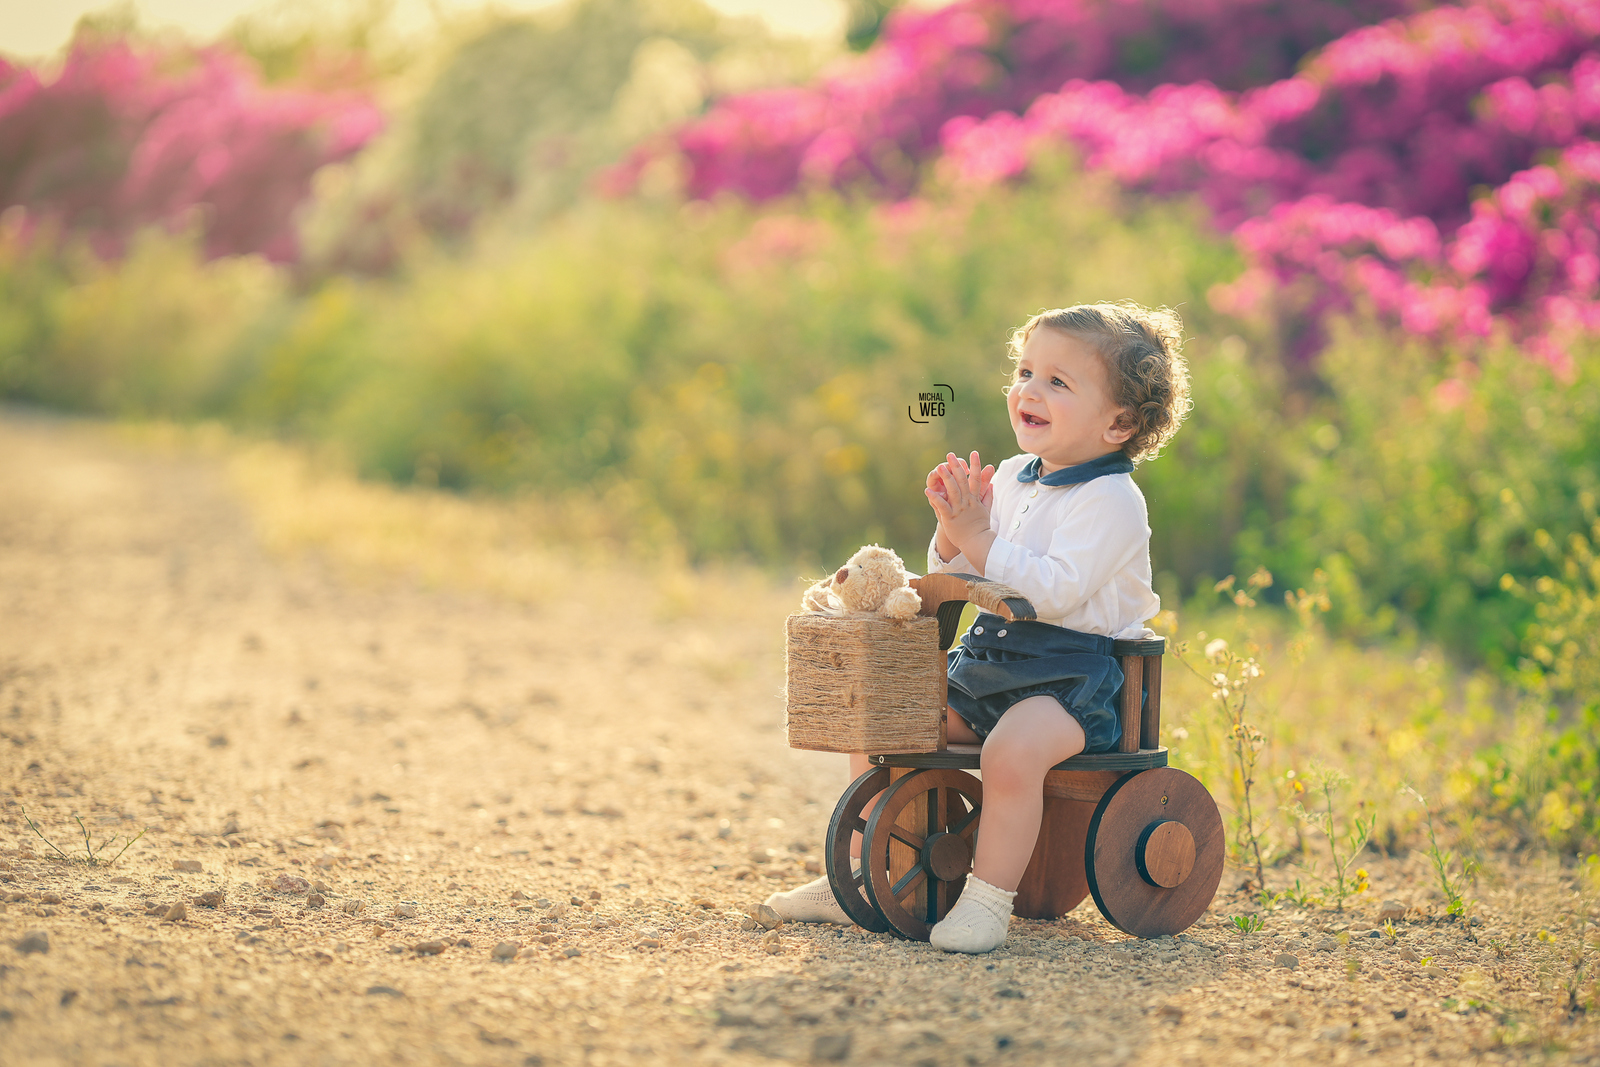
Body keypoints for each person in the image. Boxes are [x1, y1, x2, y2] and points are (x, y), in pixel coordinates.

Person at [765, 301, 1191, 953]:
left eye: (1058, 381)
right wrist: (952, 529)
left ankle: (988, 900)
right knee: (889, 719)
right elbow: (963, 568)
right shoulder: (1018, 475)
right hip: (990, 661)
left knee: (1010, 753)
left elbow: (1051, 592)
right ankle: (861, 868)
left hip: (1074, 680)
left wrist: (980, 535)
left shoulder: (1113, 502)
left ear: (1120, 422)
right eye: (1025, 371)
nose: (1029, 389)